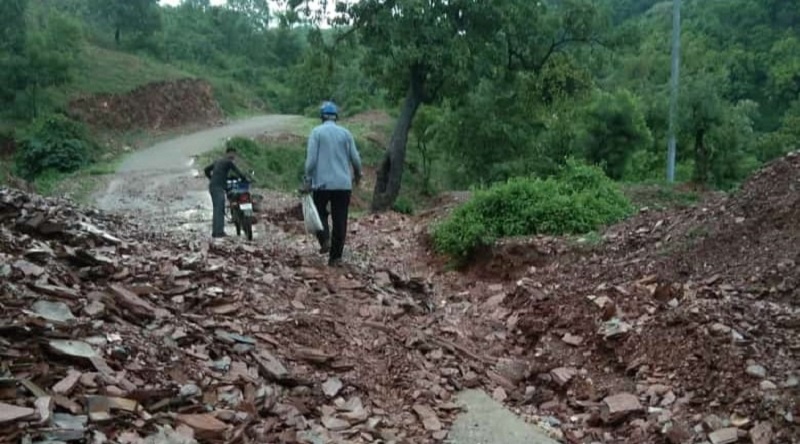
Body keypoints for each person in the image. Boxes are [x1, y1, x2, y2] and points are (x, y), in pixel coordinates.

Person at [303, 101, 363, 267]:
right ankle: (335, 258)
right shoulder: (346, 133)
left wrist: (307, 177)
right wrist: (358, 174)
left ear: (322, 117)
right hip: (343, 185)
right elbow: (356, 159)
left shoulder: (316, 133)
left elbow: (311, 161)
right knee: (340, 219)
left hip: (321, 184)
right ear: (336, 117)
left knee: (320, 212)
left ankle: (324, 239)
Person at [204, 146, 248, 238]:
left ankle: (216, 231)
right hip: (217, 187)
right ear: (227, 154)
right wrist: (245, 179)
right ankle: (218, 232)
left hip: (215, 186)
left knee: (218, 208)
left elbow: (206, 170)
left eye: (234, 154)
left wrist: (212, 178)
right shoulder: (228, 162)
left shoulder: (218, 161)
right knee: (219, 209)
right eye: (232, 153)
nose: (233, 156)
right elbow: (238, 172)